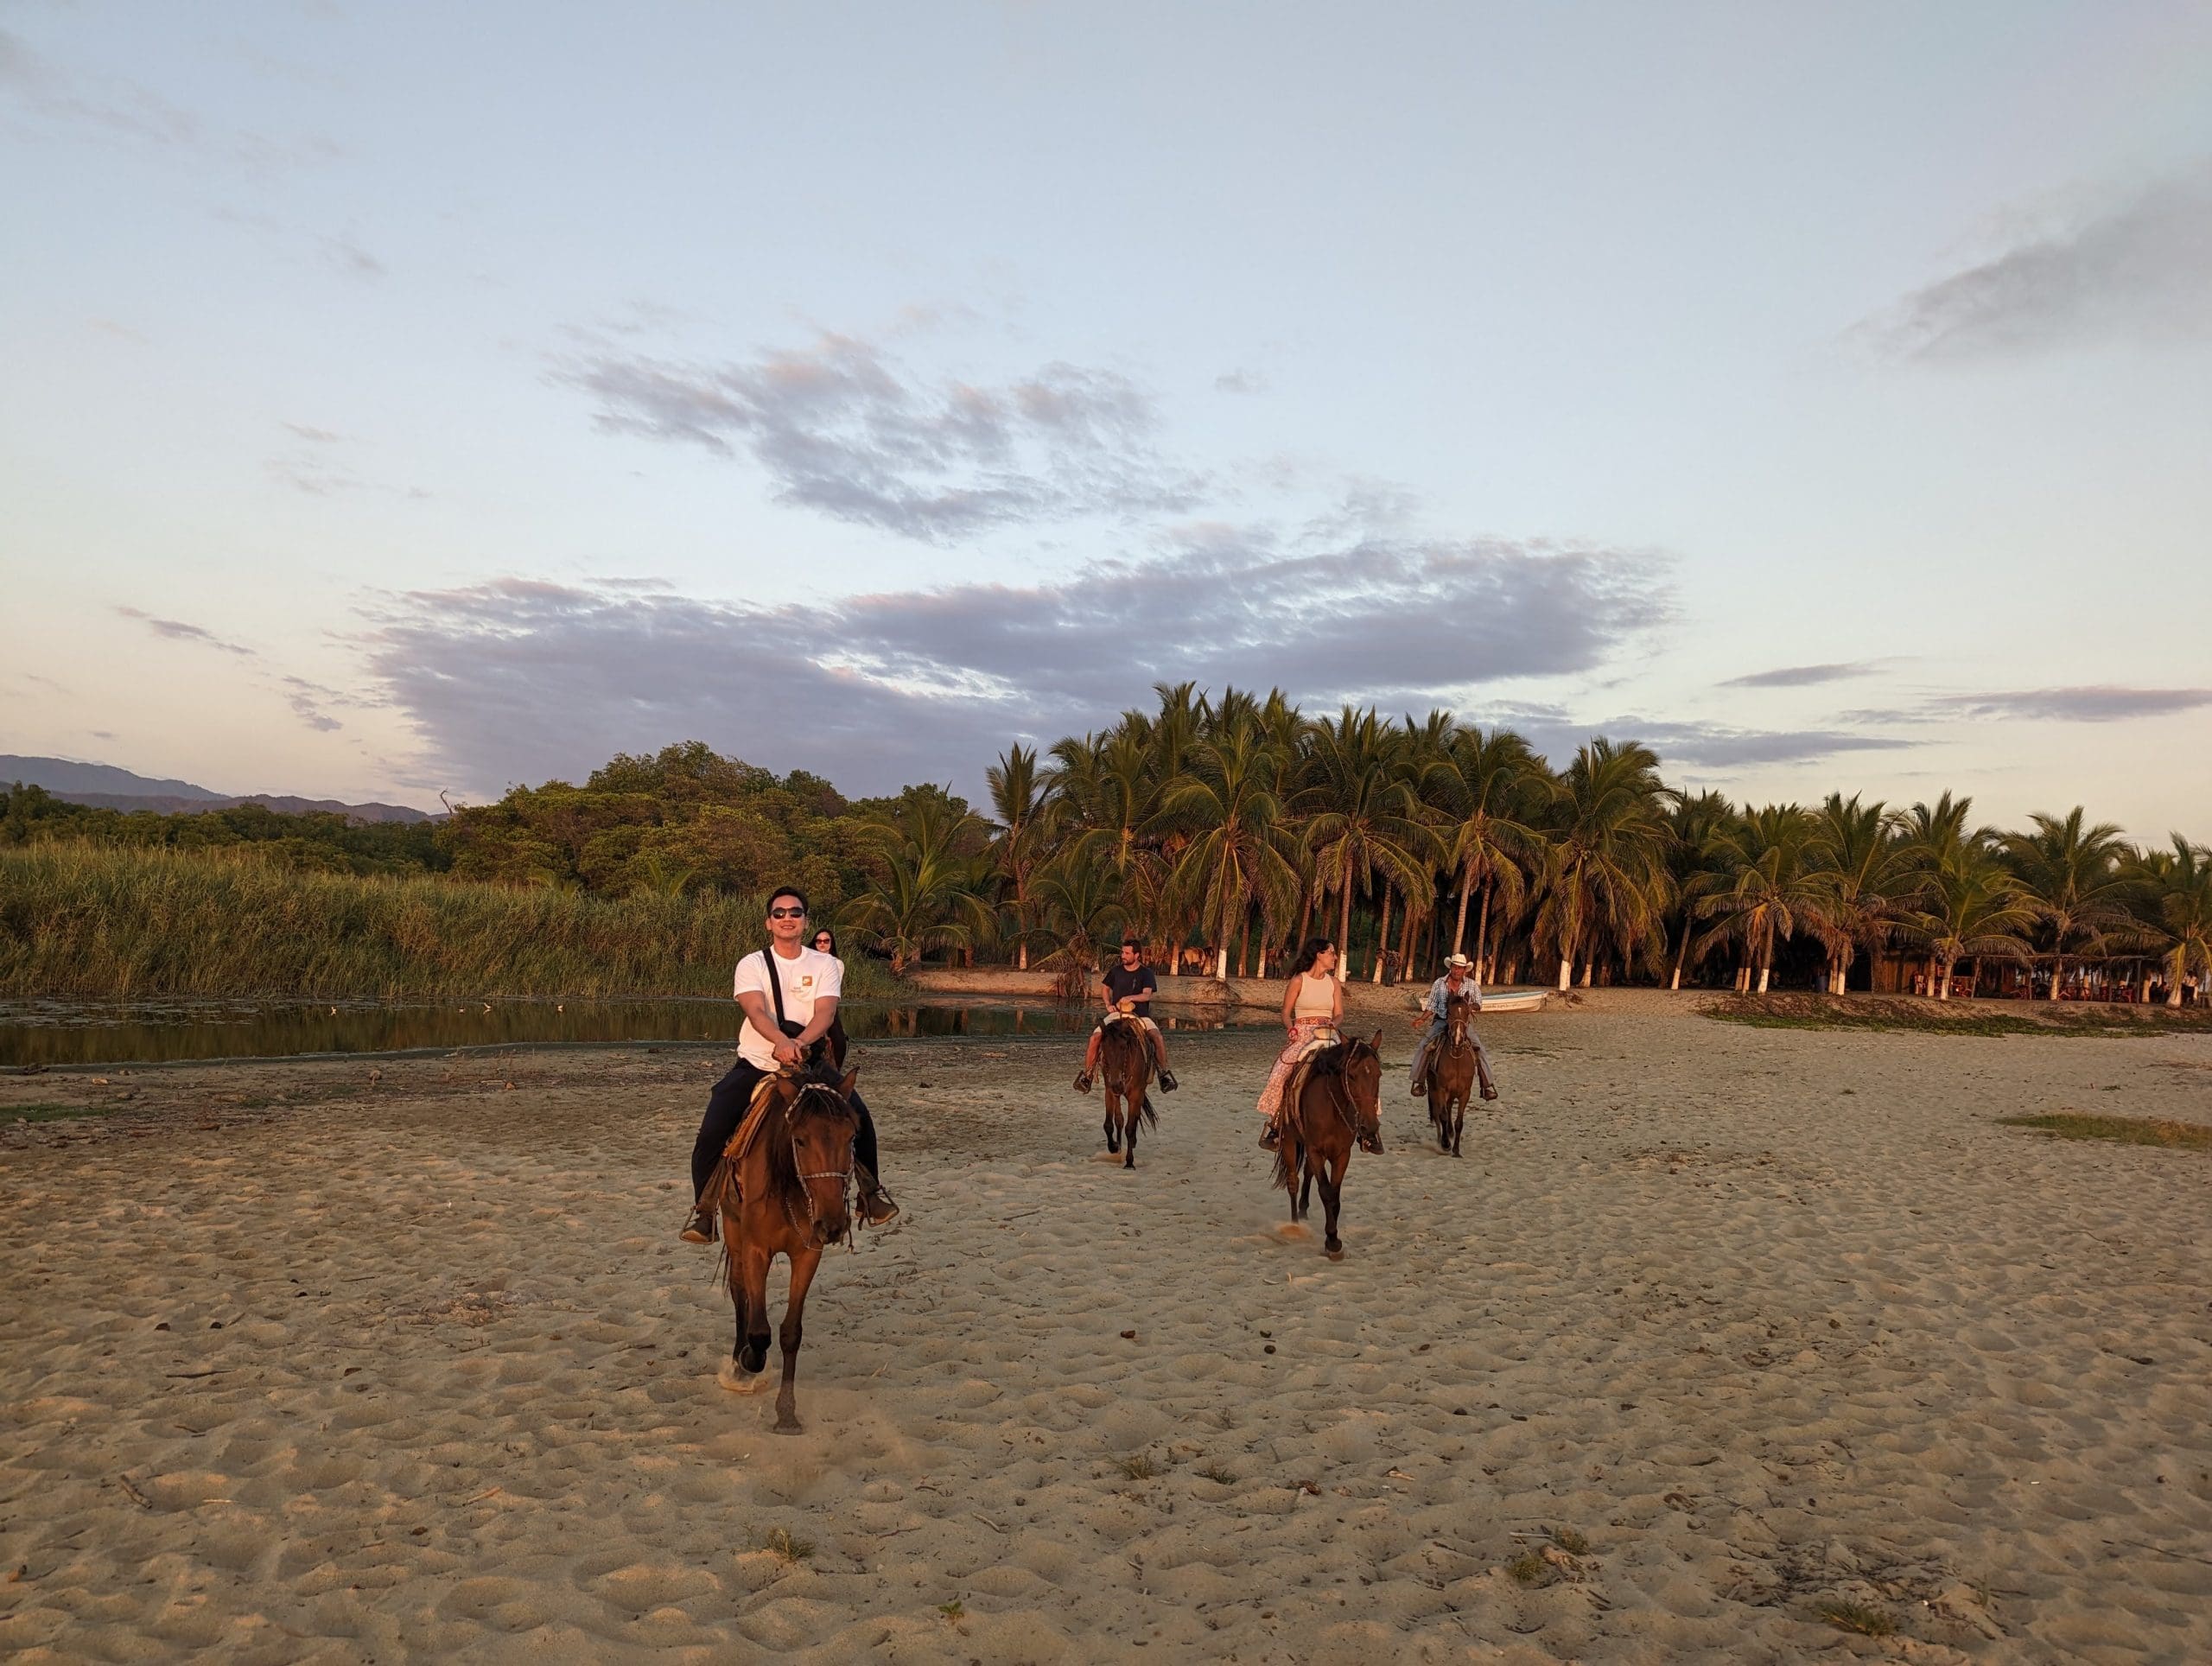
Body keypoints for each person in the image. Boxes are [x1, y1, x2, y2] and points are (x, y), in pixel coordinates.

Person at [682, 887, 896, 1244]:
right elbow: (754, 1009)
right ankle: (705, 1211)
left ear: (805, 921)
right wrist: (780, 1042)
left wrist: (800, 1043)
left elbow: (825, 1012)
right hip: (757, 1062)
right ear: (769, 922)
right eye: (779, 913)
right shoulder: (751, 963)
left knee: (859, 1118)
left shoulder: (825, 964)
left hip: (808, 1065)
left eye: (795, 913)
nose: (787, 919)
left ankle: (870, 1195)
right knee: (712, 1130)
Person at [1255, 937, 1342, 1149]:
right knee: (1280, 1072)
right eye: (1331, 952)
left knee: (1356, 1068)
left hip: (1328, 1031)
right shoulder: (1298, 981)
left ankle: (1367, 1128)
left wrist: (1333, 1024)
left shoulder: (1334, 983)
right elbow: (1286, 1012)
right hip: (1302, 1031)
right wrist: (1290, 1028)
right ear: (1319, 955)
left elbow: (1339, 1014)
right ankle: (1276, 1125)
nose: (1335, 957)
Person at [1073, 938, 1178, 1094]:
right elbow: (1105, 988)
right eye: (1123, 952)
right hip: (1117, 1015)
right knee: (1094, 1038)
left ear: (1136, 955)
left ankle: (1163, 1075)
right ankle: (1087, 1076)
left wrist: (1130, 997)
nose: (1123, 955)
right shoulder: (1116, 971)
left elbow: (1147, 995)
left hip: (1140, 1016)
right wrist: (1108, 1004)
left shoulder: (1146, 973)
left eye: (1127, 953)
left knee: (1158, 1038)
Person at [1408, 952, 1497, 1101]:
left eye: (1460, 968)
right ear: (1451, 968)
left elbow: (1479, 1004)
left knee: (1479, 1049)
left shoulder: (1471, 985)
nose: (1457, 971)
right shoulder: (1439, 983)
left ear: (1464, 970)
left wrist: (1468, 1006)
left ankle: (1487, 1086)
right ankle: (1419, 1082)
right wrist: (1422, 1020)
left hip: (1462, 1023)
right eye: (1455, 967)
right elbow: (1431, 1006)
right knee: (1424, 1045)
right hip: (1442, 1021)